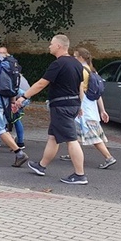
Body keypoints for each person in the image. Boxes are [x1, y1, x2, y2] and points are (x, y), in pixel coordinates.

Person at [16, 34, 88, 185]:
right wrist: (79, 105)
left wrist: (23, 97)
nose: (49, 46)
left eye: (51, 44)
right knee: (53, 137)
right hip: (72, 104)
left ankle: (80, 175)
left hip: (61, 107)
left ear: (59, 46)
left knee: (71, 139)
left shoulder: (58, 64)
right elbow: (80, 87)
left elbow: (42, 83)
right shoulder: (76, 64)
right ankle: (41, 166)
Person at [58, 48, 117, 169]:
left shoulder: (81, 71)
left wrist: (79, 106)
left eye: (75, 56)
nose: (73, 59)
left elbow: (80, 90)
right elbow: (98, 94)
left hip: (84, 107)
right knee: (76, 130)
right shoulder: (92, 71)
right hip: (92, 106)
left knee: (92, 134)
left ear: (81, 58)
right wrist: (102, 110)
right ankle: (73, 153)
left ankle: (108, 157)